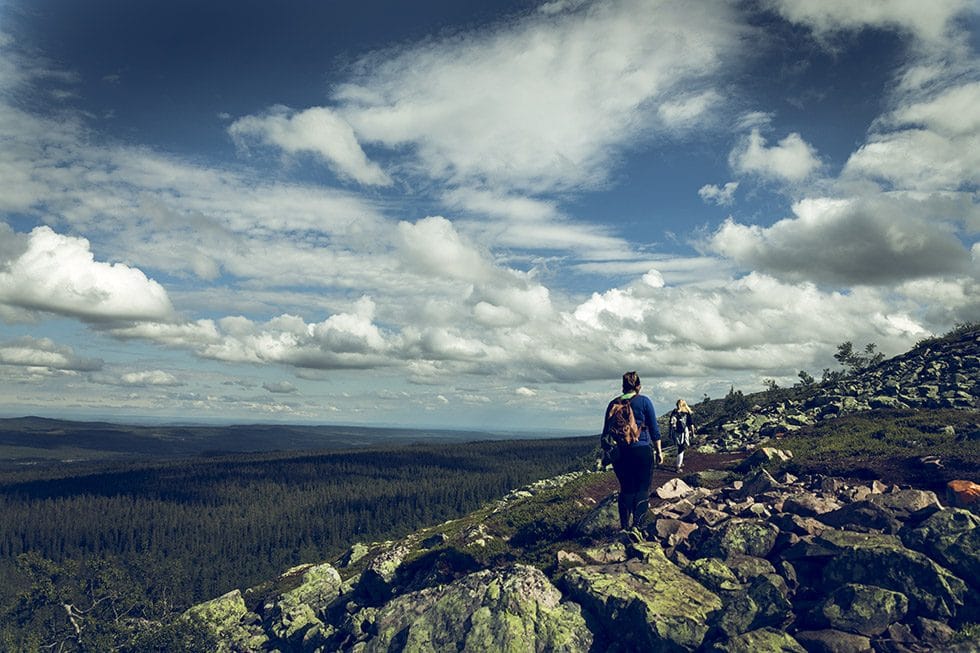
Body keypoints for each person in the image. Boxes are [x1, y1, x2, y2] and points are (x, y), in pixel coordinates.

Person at [602, 371, 662, 536]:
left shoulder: (613, 404)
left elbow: (605, 434)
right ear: (638, 386)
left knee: (626, 488)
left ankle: (624, 528)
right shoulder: (644, 401)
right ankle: (638, 528)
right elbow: (655, 430)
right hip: (642, 449)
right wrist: (659, 451)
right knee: (642, 489)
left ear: (623, 386)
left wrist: (607, 454)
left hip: (620, 452)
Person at [669, 399, 695, 473]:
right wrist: (693, 433)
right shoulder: (686, 413)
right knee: (681, 449)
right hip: (683, 432)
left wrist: (670, 433)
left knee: (679, 447)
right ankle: (678, 466)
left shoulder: (674, 412)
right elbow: (691, 425)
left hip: (675, 432)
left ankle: (679, 462)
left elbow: (670, 423)